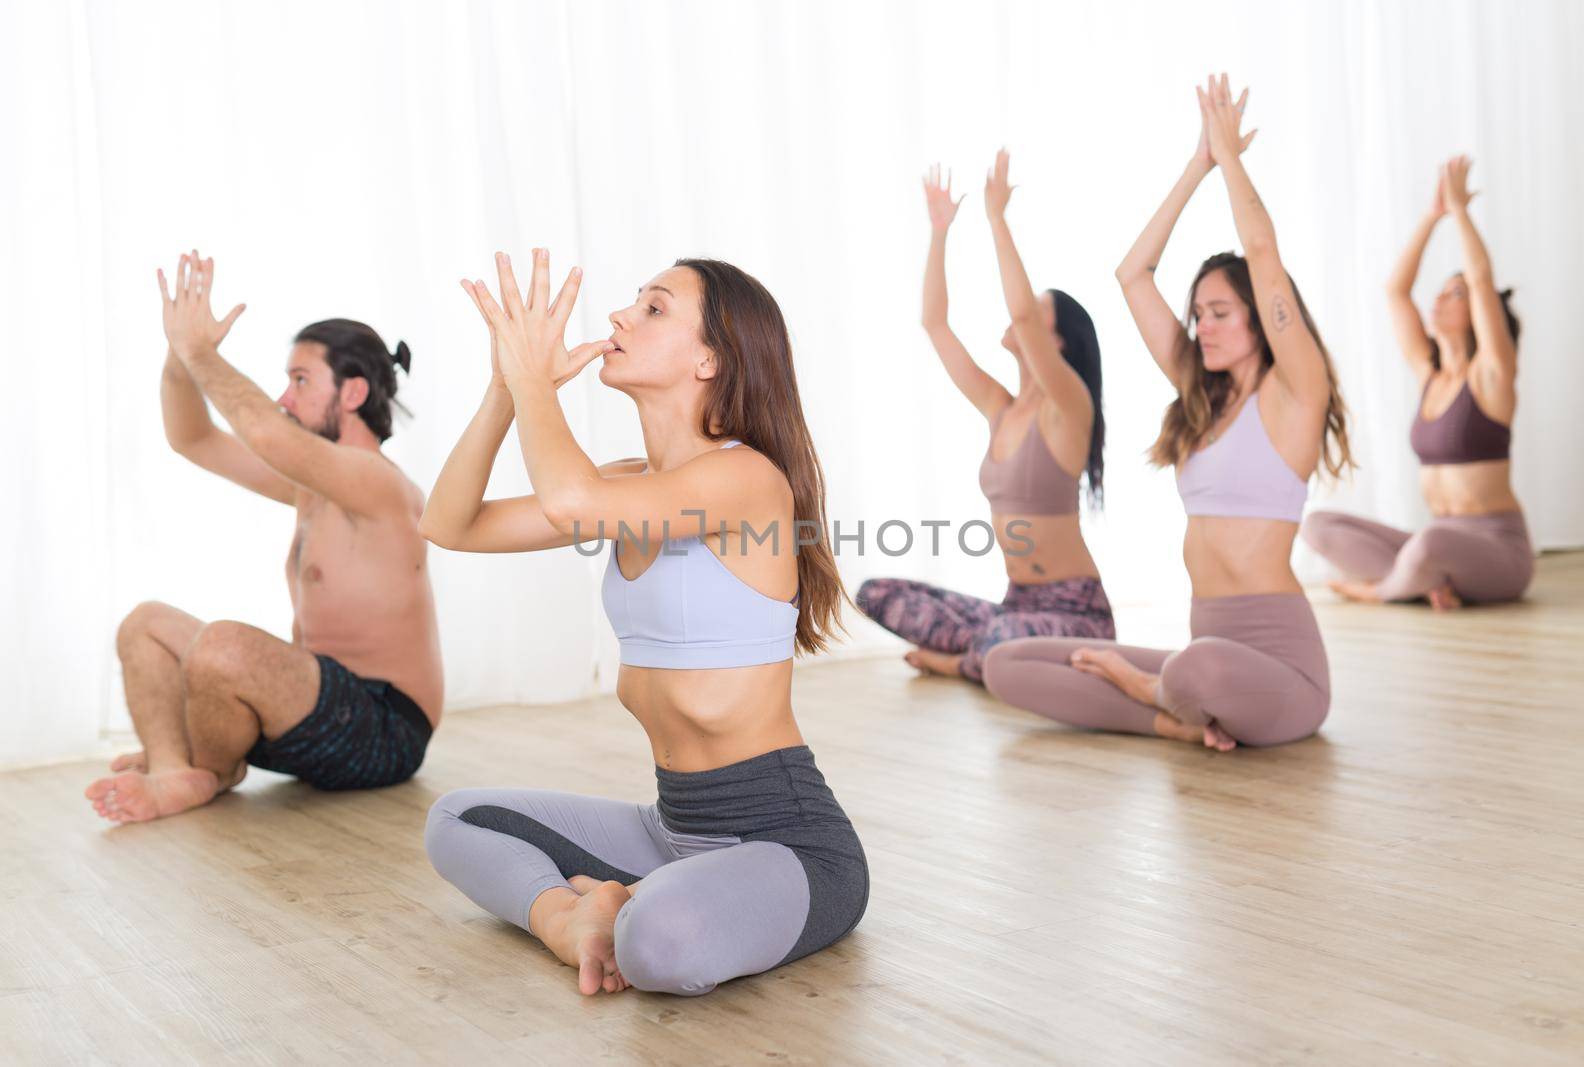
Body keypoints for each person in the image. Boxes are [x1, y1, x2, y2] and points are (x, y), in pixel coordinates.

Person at [420, 250, 868, 996]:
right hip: (670, 828)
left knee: (659, 941)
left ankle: (634, 911)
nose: (621, 317)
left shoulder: (746, 478)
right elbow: (449, 522)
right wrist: (507, 389)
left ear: (710, 359)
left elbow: (570, 502)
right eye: (634, 302)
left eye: (654, 308)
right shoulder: (628, 483)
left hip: (787, 842)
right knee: (457, 819)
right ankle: (569, 921)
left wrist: (537, 384)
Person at [984, 76, 1352, 751]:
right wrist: (1197, 165)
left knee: (1197, 666)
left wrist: (1231, 158)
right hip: (1208, 644)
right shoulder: (1201, 396)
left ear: (1260, 319)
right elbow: (1132, 273)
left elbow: (1265, 258)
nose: (1202, 328)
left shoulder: (1296, 391)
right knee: (1007, 664)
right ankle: (1172, 717)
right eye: (1198, 315)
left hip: (1284, 672)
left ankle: (1162, 691)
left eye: (1219, 314)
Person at [87, 251, 442, 822]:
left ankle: (209, 767)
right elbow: (193, 438)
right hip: (306, 709)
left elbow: (268, 435)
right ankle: (178, 768)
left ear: (352, 394)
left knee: (223, 644)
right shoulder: (313, 487)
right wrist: (181, 355)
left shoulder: (379, 484)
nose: (285, 397)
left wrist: (205, 353)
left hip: (383, 731)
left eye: (300, 380)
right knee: (145, 624)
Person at [855, 153, 1115, 682]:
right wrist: (940, 233)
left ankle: (968, 664)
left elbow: (1021, 313)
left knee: (999, 639)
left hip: (1076, 613)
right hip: (1018, 607)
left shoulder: (1069, 405)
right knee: (875, 593)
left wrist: (997, 219)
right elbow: (934, 324)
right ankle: (991, 660)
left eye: (1038, 314)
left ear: (1055, 339)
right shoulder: (1001, 407)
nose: (1019, 315)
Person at [1301, 156, 1530, 609]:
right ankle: (1427, 583)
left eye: (1456, 293)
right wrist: (1433, 215)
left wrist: (1461, 212)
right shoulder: (1429, 374)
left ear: (1481, 316)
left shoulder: (1492, 375)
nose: (1440, 297)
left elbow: (1482, 279)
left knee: (1430, 543)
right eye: (1442, 289)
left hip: (1499, 552)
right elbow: (1395, 291)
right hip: (1442, 541)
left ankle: (1383, 591)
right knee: (1318, 526)